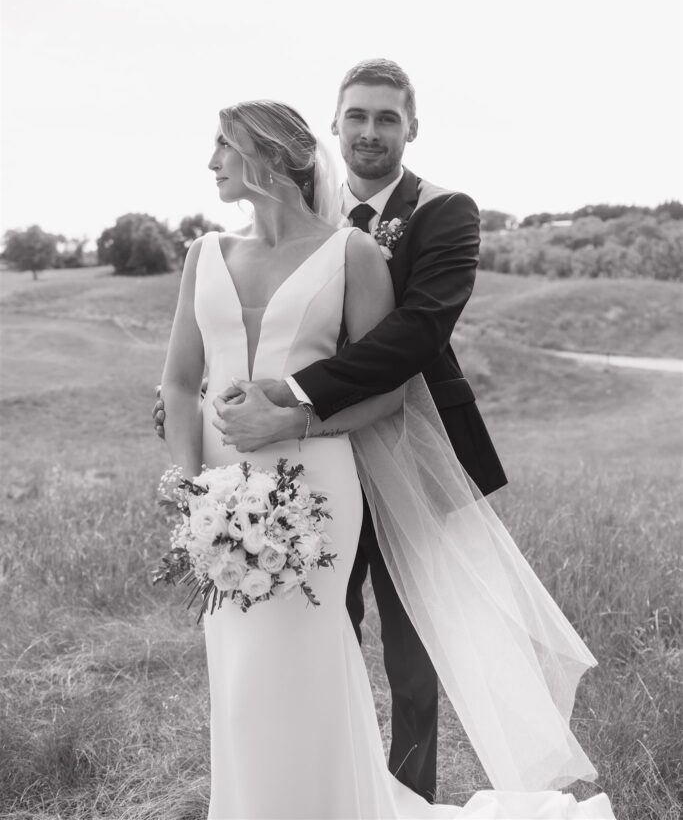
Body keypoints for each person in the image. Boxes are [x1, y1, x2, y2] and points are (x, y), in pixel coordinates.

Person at [159, 97, 615, 819]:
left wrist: (296, 424)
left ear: (268, 155)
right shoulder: (202, 254)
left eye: (222, 144)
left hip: (316, 479)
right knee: (236, 668)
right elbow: (180, 385)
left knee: (311, 654)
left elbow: (394, 385)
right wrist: (188, 483)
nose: (210, 160)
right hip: (215, 489)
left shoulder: (353, 252)